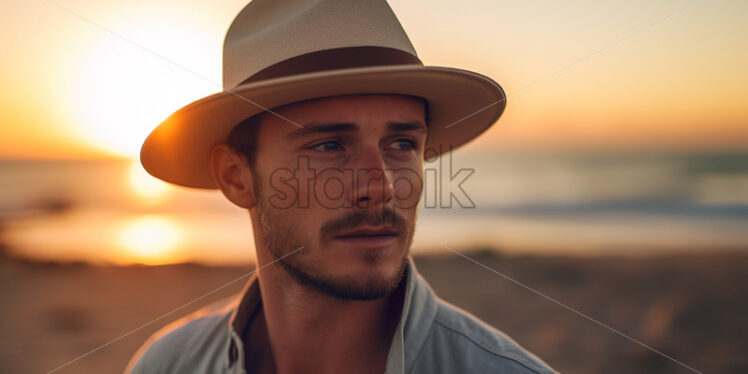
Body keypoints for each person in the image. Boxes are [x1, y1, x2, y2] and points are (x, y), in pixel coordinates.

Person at [127, 0, 557, 373]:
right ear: (236, 177)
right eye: (329, 145)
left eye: (402, 144)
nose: (380, 186)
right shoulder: (170, 364)